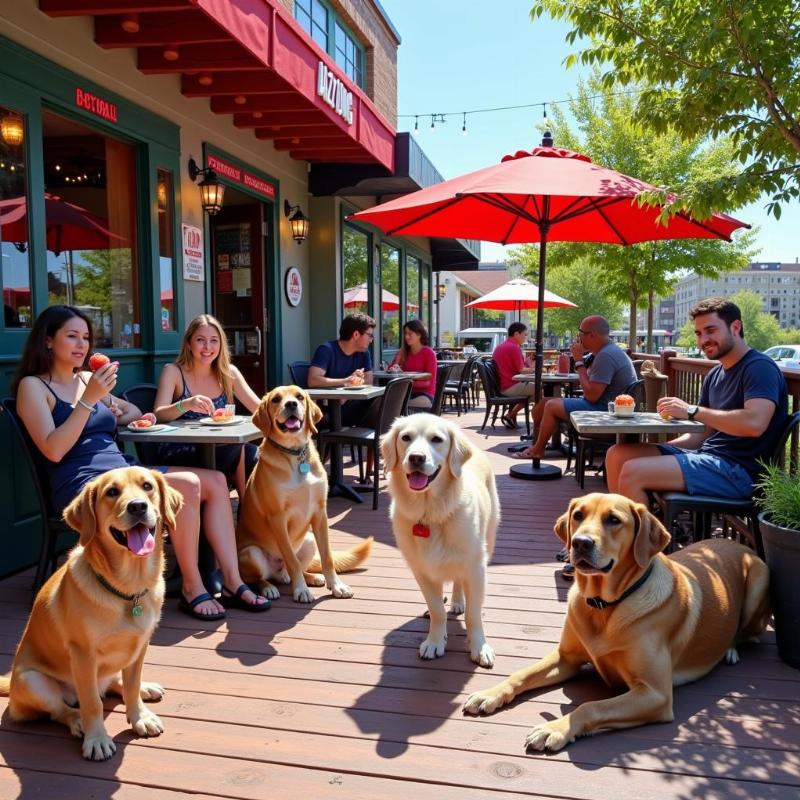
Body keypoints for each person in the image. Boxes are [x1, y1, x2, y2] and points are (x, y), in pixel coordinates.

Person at [12, 305, 268, 621]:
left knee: (214, 480)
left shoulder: (88, 380)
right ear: (48, 340)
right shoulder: (34, 387)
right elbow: (53, 449)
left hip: (123, 470)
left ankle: (232, 580)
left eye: (86, 338)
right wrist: (89, 401)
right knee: (187, 485)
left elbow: (131, 411)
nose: (82, 345)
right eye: (72, 336)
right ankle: (192, 585)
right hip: (84, 484)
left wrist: (127, 411)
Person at [606, 297, 789, 505]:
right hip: (709, 457)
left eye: (711, 330)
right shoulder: (715, 374)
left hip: (740, 471)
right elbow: (702, 436)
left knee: (633, 471)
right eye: (699, 333)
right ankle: (631, 528)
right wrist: (665, 450)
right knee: (618, 455)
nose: (703, 340)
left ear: (735, 327)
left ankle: (643, 536)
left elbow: (754, 424)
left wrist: (692, 410)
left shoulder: (759, 368)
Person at [154, 314, 261, 501]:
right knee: (238, 449)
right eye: (200, 340)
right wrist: (186, 404)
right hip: (180, 449)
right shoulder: (173, 371)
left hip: (221, 447)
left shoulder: (229, 373)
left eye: (214, 341)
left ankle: (250, 511)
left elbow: (259, 409)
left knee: (255, 454)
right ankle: (247, 512)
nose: (208, 347)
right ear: (188, 343)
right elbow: (159, 414)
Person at [512, 315, 636, 460]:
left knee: (551, 406)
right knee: (543, 404)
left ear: (592, 335)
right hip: (605, 406)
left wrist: (578, 361)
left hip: (605, 413)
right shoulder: (606, 351)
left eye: (581, 333)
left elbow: (591, 395)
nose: (579, 337)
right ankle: (539, 442)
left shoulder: (606, 356)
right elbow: (589, 383)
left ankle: (538, 450)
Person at [309, 312, 378, 484]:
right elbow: (313, 379)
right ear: (356, 334)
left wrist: (358, 380)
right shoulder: (327, 350)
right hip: (324, 412)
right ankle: (319, 469)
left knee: (381, 403)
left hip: (350, 409)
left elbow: (369, 380)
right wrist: (345, 382)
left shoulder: (363, 353)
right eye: (369, 335)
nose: (371, 339)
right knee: (378, 408)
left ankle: (373, 448)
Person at [492, 322, 535, 428]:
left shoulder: (501, 346)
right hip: (509, 386)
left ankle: (511, 414)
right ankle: (539, 423)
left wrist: (527, 365)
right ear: (516, 334)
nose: (526, 337)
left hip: (502, 385)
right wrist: (533, 368)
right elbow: (522, 371)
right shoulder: (514, 347)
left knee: (536, 390)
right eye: (525, 334)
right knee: (540, 390)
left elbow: (515, 368)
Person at [389, 319, 438, 409]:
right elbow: (390, 370)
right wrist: (398, 358)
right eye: (405, 333)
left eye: (410, 334)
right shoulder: (404, 352)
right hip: (405, 393)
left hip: (424, 395)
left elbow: (428, 382)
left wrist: (405, 383)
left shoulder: (429, 353)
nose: (406, 336)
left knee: (394, 405)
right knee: (385, 402)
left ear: (419, 334)